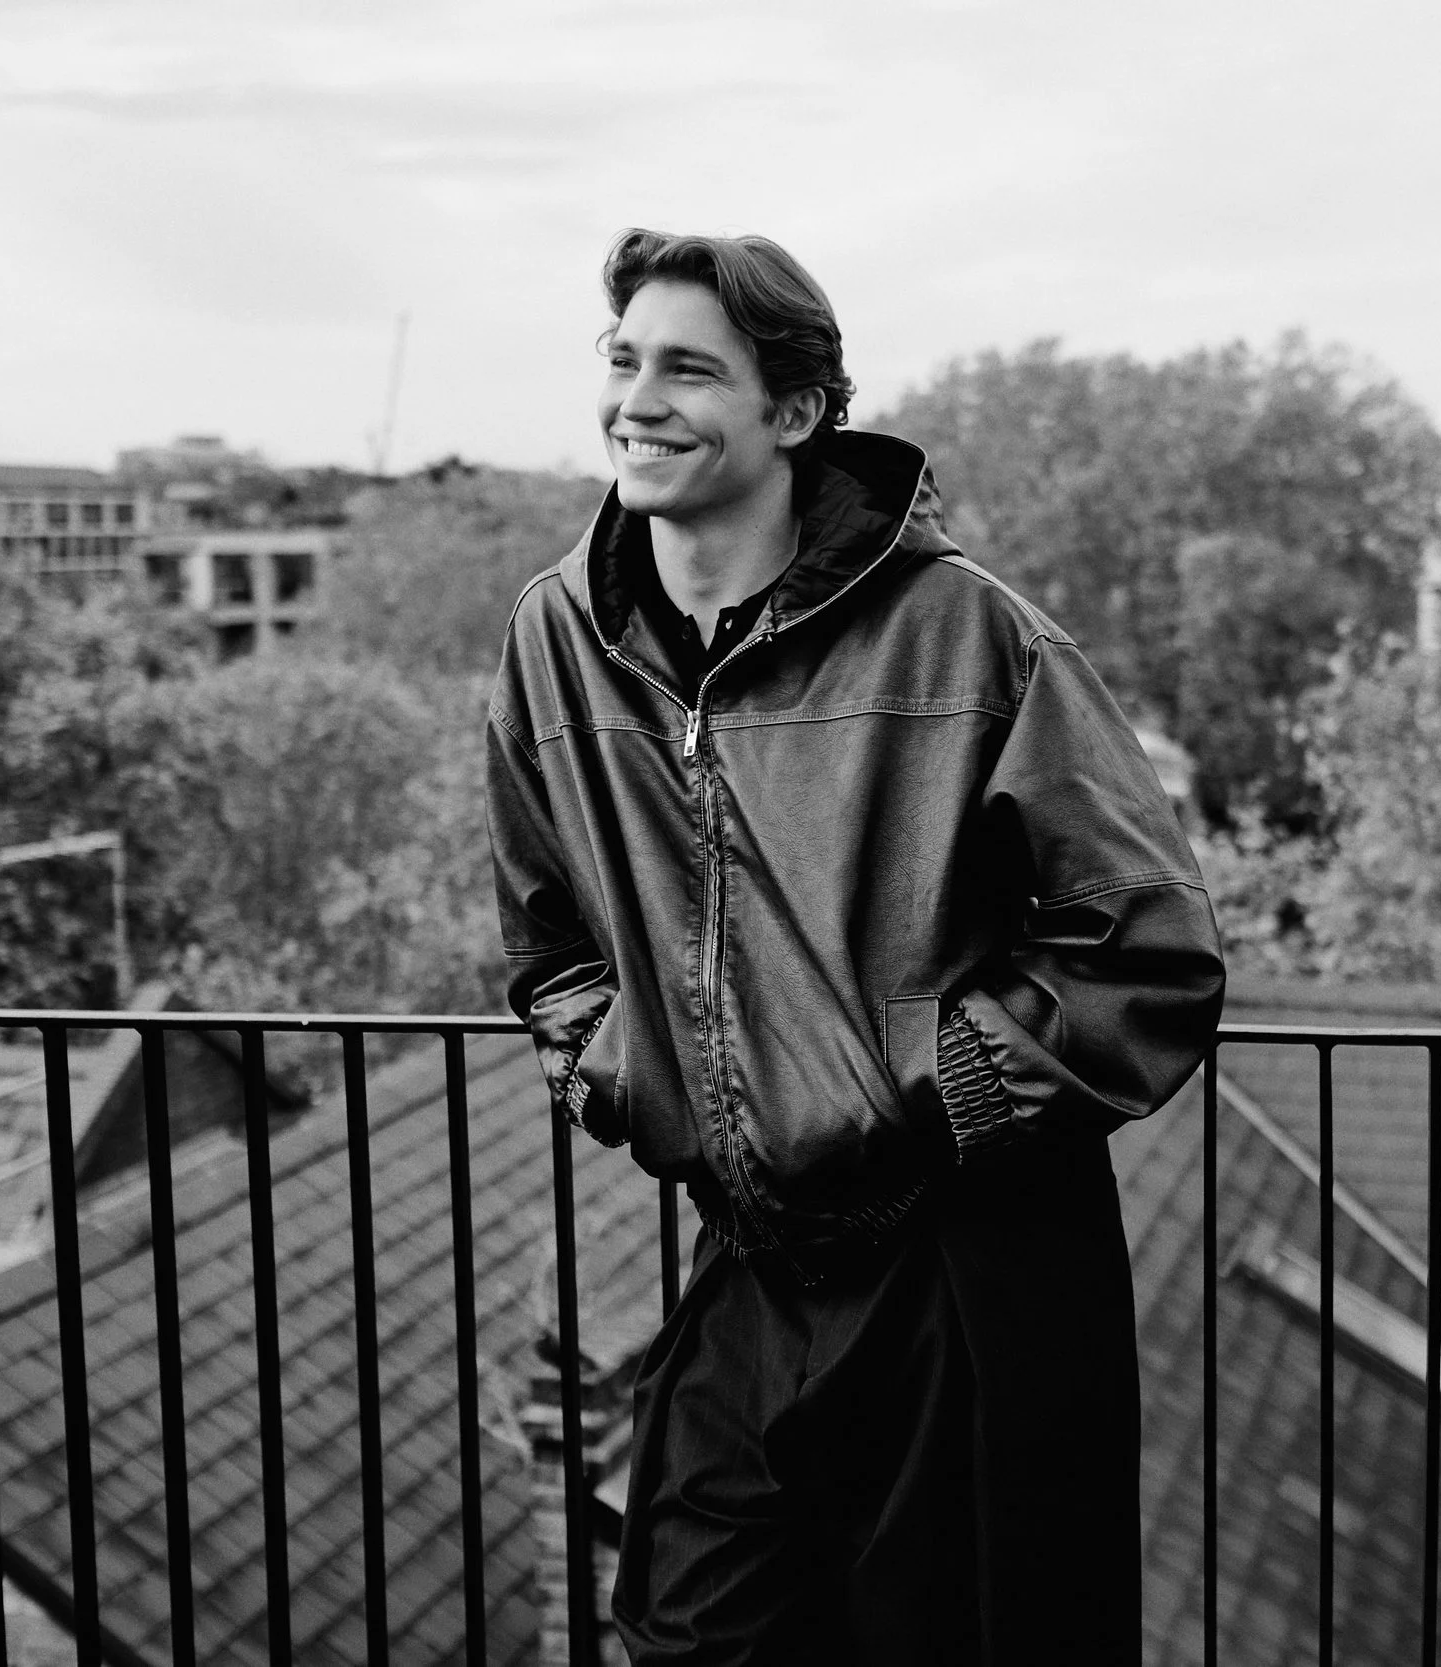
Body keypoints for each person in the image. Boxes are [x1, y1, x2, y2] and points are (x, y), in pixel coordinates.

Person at [486, 228, 1225, 1667]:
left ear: (798, 411)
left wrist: (925, 1094)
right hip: (754, 1247)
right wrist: (627, 1074)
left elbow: (1148, 948)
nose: (639, 398)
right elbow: (547, 933)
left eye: (690, 368)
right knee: (687, 1625)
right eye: (624, 359)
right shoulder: (558, 637)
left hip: (963, 1257)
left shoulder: (966, 635)